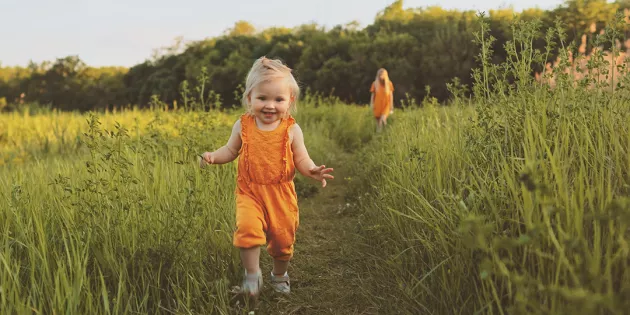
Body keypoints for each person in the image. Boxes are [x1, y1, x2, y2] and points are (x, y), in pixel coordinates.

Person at [199, 56, 334, 298]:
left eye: (278, 99)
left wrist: (311, 169)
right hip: (249, 191)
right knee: (248, 229)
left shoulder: (291, 129)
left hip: (281, 194)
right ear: (249, 98)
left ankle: (279, 275)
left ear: (289, 101)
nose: (270, 105)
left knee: (283, 241)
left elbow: (301, 158)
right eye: (262, 98)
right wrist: (212, 156)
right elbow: (230, 150)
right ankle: (253, 276)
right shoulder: (243, 126)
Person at [369, 68, 395, 132]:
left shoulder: (389, 84)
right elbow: (373, 95)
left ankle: (387, 132)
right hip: (377, 105)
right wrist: (371, 104)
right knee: (378, 122)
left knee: (383, 119)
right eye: (380, 75)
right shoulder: (375, 84)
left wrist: (391, 106)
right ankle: (380, 135)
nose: (381, 77)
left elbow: (391, 96)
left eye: (382, 75)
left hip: (386, 104)